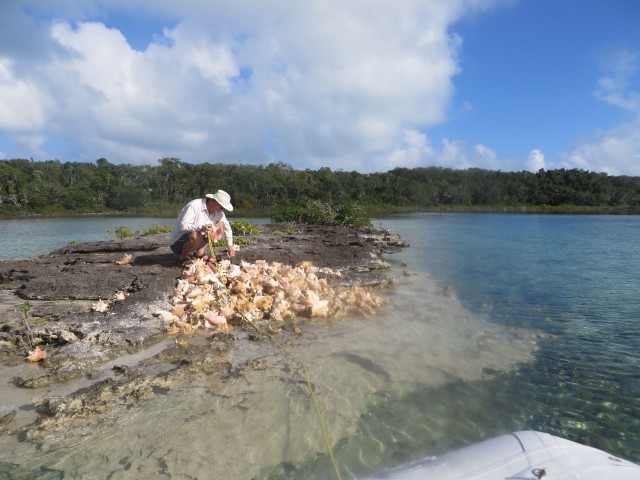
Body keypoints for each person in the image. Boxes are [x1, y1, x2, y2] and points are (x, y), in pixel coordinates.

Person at [169, 190, 236, 262]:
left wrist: (230, 247)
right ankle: (184, 257)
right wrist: (201, 227)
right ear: (214, 202)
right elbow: (183, 226)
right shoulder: (194, 206)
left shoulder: (219, 213)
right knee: (196, 234)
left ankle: (199, 253)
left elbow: (227, 228)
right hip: (178, 243)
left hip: (198, 241)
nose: (222, 211)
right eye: (222, 208)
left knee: (220, 225)